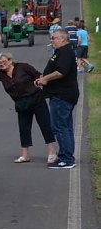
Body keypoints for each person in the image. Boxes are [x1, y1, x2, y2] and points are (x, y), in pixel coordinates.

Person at [0, 50, 57, 164]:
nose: (2, 64)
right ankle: (25, 155)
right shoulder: (1, 74)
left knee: (44, 124)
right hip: (21, 103)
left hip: (36, 98)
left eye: (4, 61)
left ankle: (52, 153)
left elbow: (39, 75)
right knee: (24, 128)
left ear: (11, 61)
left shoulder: (23, 67)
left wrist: (39, 82)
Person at [34, 30, 79, 169]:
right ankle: (66, 155)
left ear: (63, 39)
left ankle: (67, 159)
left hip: (62, 94)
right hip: (62, 94)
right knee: (65, 126)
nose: (51, 40)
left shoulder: (65, 51)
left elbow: (61, 71)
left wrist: (45, 79)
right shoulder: (61, 51)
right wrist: (43, 77)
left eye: (53, 38)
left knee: (59, 126)